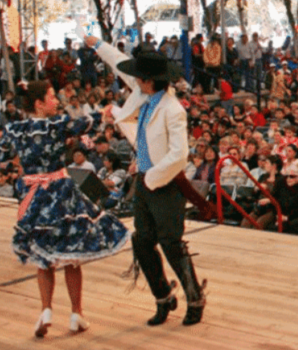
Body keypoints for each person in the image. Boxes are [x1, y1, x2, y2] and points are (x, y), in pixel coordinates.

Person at [0, 81, 130, 337]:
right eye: (52, 97)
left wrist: (18, 164)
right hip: (59, 192)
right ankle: (76, 313)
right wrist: (105, 111)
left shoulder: (14, 128)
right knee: (71, 256)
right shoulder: (56, 124)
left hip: (32, 194)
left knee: (44, 258)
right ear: (39, 104)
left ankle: (46, 310)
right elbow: (85, 124)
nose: (56, 100)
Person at [87, 35, 208, 326]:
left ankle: (194, 297)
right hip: (144, 178)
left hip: (164, 182)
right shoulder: (143, 96)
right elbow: (119, 65)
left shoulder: (172, 110)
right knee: (142, 242)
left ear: (148, 80)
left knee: (170, 242)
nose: (134, 79)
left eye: (139, 76)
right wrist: (98, 44)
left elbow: (179, 155)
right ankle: (163, 296)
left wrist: (152, 175)